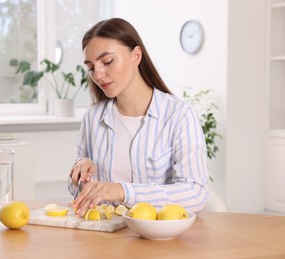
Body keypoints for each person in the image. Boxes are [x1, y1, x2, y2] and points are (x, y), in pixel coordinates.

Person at [68, 17, 208, 215]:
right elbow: (78, 193)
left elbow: (195, 194)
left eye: (107, 61)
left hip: (160, 239)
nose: (98, 75)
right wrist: (80, 173)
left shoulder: (179, 115)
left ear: (136, 56)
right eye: (91, 68)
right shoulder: (93, 117)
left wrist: (124, 191)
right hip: (103, 238)